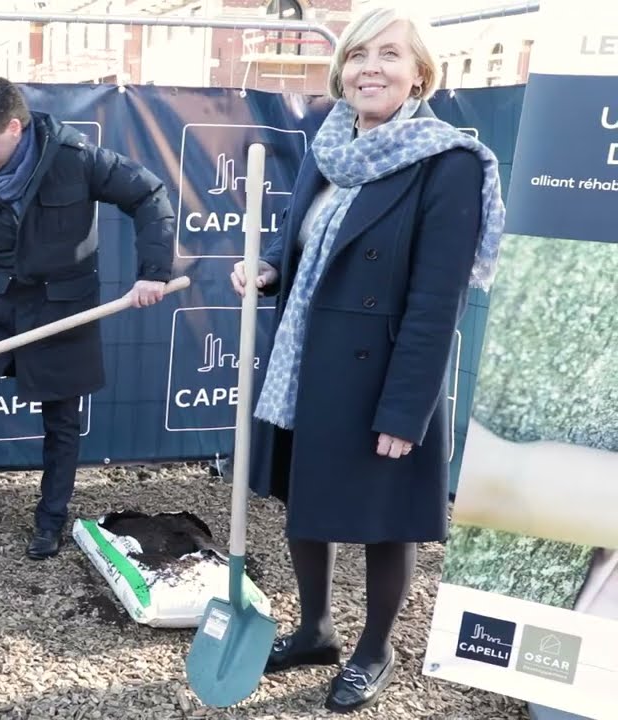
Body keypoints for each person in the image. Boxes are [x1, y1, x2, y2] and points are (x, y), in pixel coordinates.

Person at [229, 6, 505, 713]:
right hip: (308, 363)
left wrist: (406, 407)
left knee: (386, 517)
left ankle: (374, 648)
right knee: (306, 503)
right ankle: (316, 629)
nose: (370, 68)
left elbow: (436, 300)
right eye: (358, 56)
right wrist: (269, 273)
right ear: (341, 71)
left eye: (389, 55)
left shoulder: (447, 164)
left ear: (420, 74)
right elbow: (316, 254)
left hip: (382, 370)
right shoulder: (332, 147)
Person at [0, 76, 177, 560]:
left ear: (13, 128)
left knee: (61, 421)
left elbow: (149, 194)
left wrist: (153, 272)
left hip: (62, 309)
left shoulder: (75, 159)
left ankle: (50, 520)